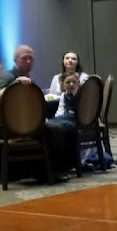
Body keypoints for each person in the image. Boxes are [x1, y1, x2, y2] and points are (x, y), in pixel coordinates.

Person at [0, 44, 75, 178]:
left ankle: (65, 168)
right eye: (24, 58)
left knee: (69, 126)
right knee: (56, 129)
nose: (28, 61)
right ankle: (46, 172)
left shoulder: (25, 76)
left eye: (31, 58)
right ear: (15, 60)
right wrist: (14, 85)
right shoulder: (8, 76)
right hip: (12, 126)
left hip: (27, 121)